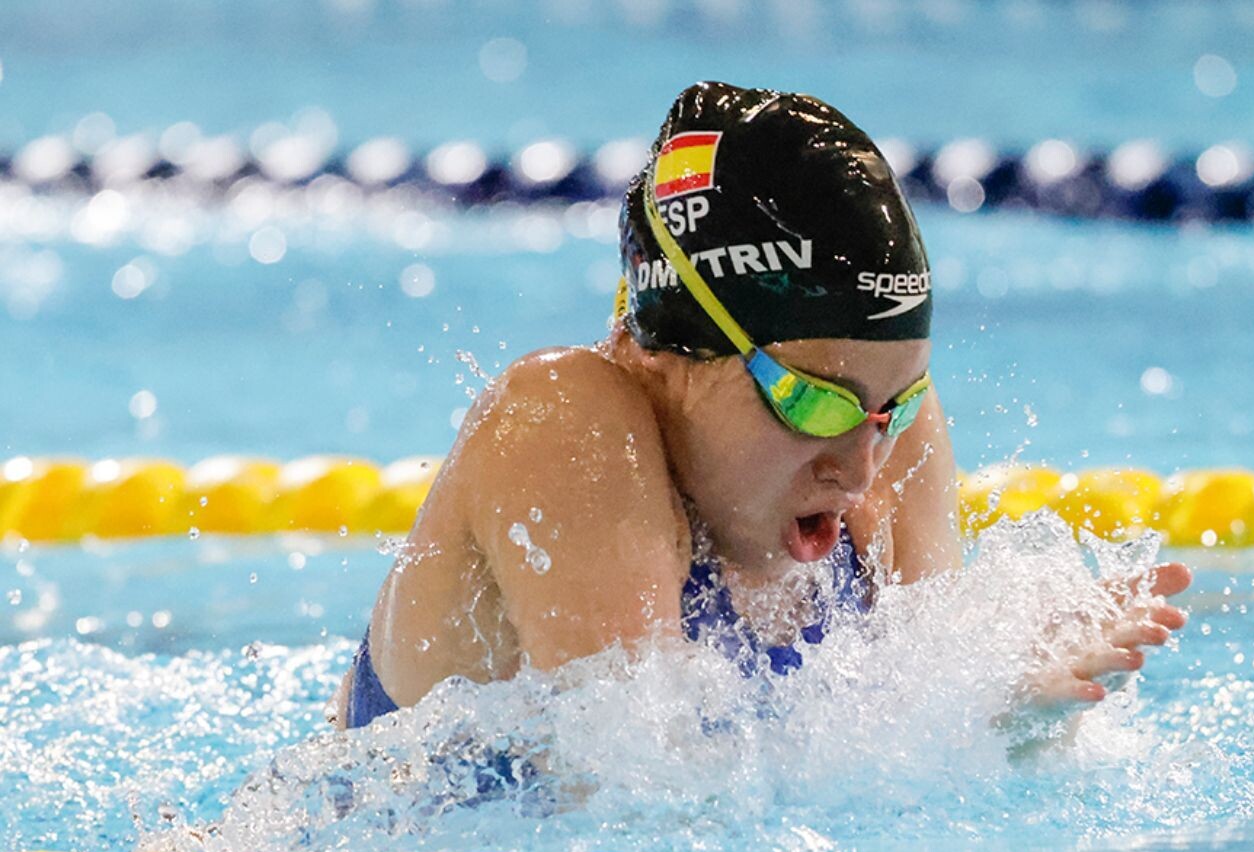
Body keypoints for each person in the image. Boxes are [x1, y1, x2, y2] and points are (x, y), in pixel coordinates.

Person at [332, 81, 1189, 731]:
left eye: (895, 401)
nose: (859, 466)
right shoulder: (566, 424)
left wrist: (1014, 717)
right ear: (671, 354)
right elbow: (639, 809)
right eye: (814, 402)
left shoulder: (891, 442)